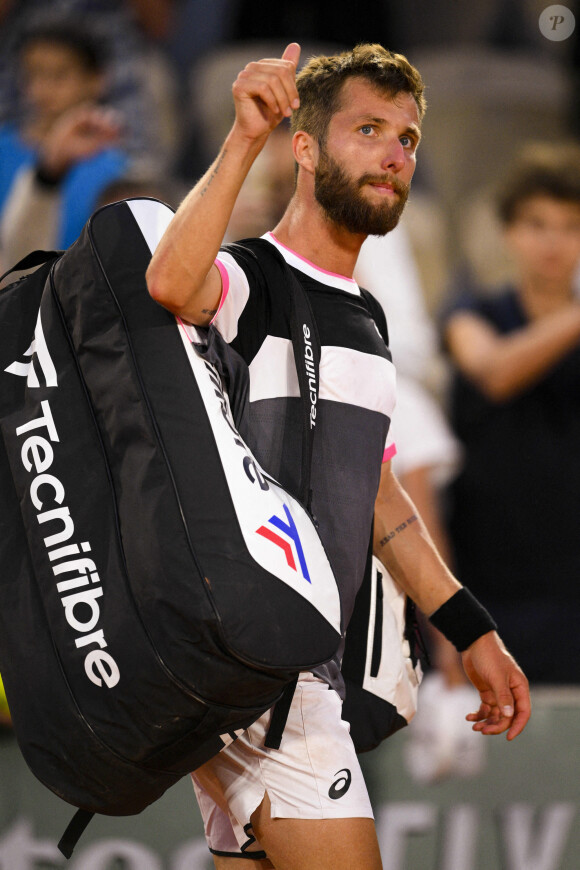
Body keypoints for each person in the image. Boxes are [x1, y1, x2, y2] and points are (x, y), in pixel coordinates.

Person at [146, 43, 530, 870]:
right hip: (269, 673)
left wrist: (470, 628)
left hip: (263, 676)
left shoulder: (369, 318)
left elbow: (376, 494)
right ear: (307, 148)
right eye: (368, 129)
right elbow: (172, 284)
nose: (396, 153)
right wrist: (243, 136)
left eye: (408, 137)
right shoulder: (254, 277)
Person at [443, 142, 580, 685]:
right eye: (537, 224)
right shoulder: (472, 314)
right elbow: (494, 371)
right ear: (509, 232)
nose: (553, 242)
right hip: (494, 593)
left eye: (571, 227)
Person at [0, 20, 129, 270]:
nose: (43, 89)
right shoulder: (2, 149)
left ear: (97, 80)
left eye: (59, 75)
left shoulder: (117, 171)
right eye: (33, 74)